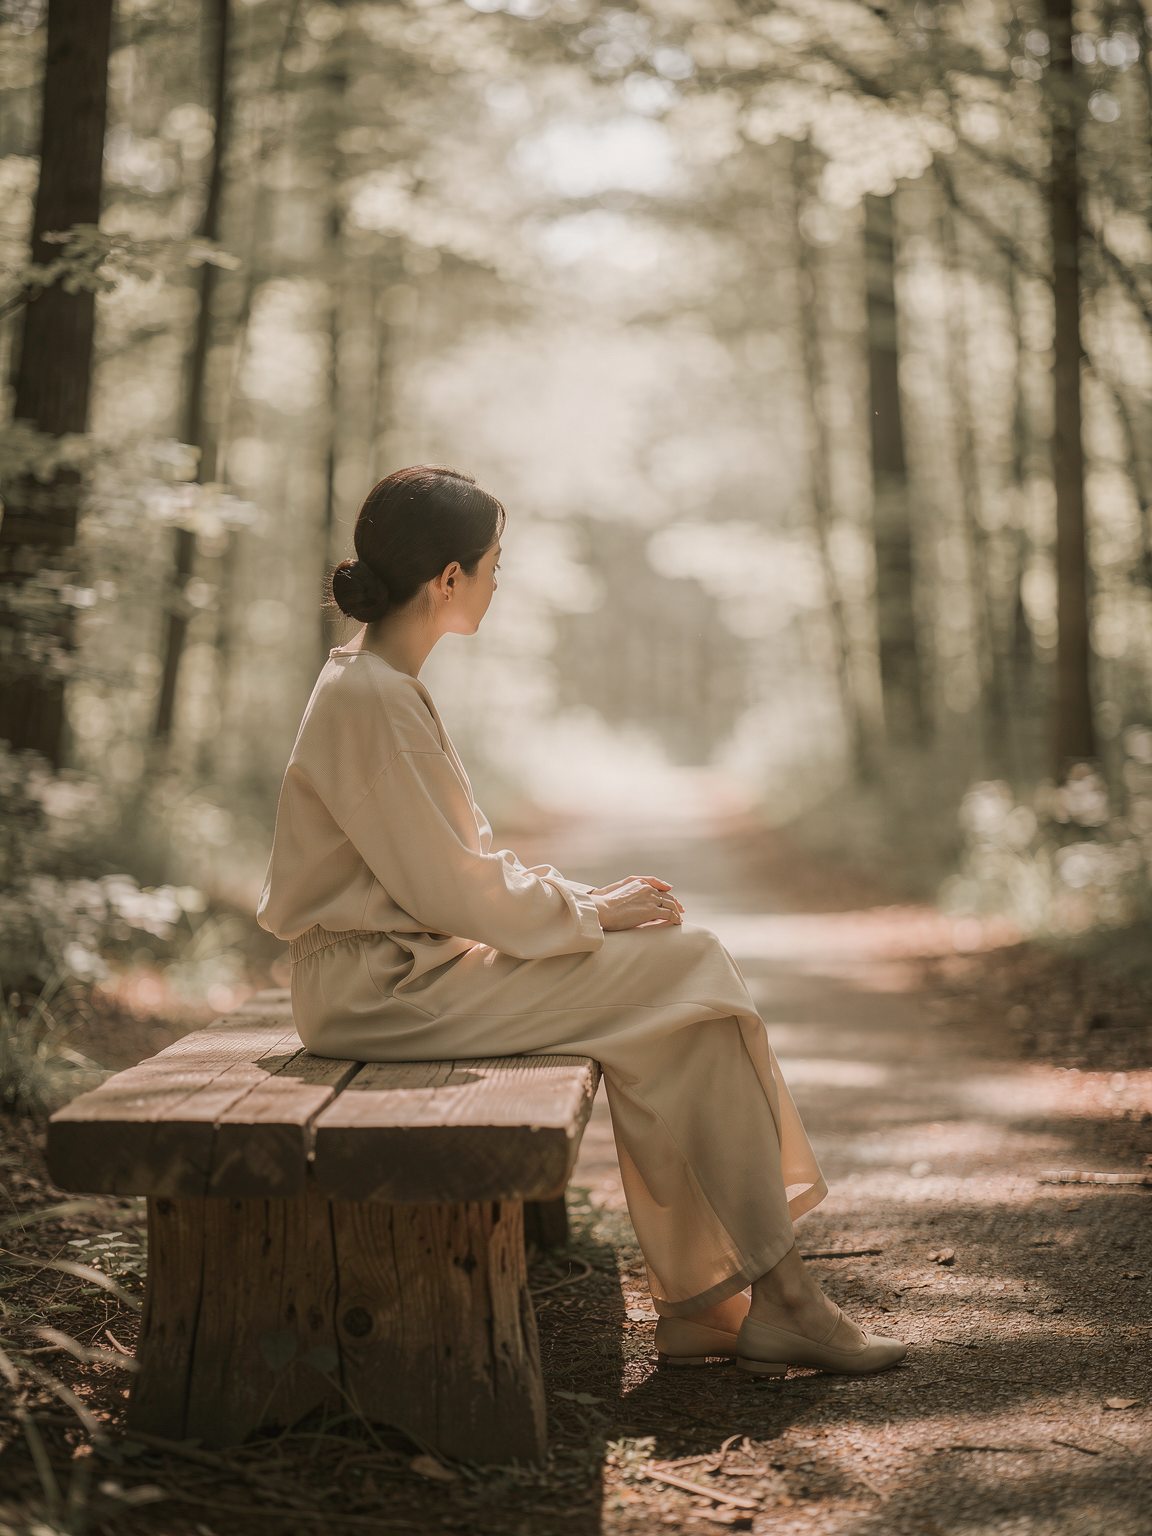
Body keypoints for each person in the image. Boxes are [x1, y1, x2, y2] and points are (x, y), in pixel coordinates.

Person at [258, 465, 906, 1379]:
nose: (497, 580)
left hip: (401, 975)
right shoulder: (372, 697)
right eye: (491, 563)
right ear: (448, 579)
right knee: (691, 965)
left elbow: (455, 867)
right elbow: (456, 891)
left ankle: (711, 1305)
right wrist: (590, 912)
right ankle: (779, 1298)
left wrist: (582, 904)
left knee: (682, 1008)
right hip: (381, 992)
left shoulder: (376, 684)